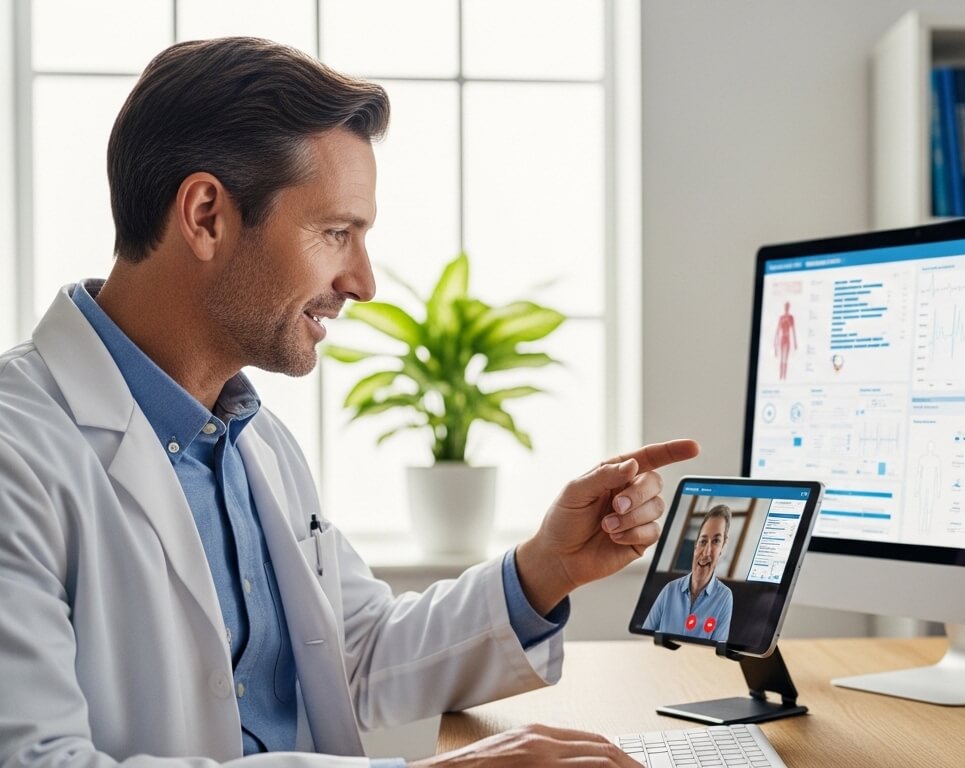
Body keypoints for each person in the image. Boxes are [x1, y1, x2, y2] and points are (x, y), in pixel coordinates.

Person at [0, 37, 699, 768]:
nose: (363, 281)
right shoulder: (18, 453)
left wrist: (546, 568)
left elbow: (358, 653)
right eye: (337, 233)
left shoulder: (250, 441)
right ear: (206, 215)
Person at [641, 505, 734, 643]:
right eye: (703, 541)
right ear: (695, 546)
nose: (706, 552)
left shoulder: (725, 597)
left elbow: (714, 652)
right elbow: (645, 638)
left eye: (716, 541)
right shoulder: (669, 590)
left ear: (723, 547)